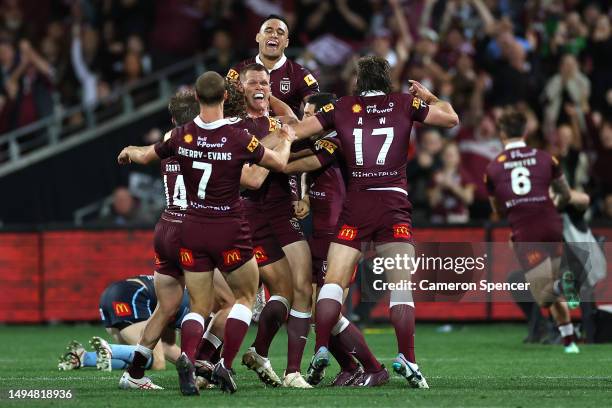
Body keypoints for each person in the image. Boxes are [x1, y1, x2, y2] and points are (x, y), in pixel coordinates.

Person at [118, 71, 295, 394]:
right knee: (242, 299)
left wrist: (130, 149)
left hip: (188, 227)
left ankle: (185, 357)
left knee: (195, 306)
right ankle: (223, 364)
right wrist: (286, 140)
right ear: (227, 98)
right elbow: (273, 168)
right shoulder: (237, 136)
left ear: (198, 98)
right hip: (227, 226)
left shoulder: (179, 137)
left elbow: (146, 154)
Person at [289, 55, 459, 387]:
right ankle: (407, 358)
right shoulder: (405, 102)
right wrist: (430, 97)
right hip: (393, 203)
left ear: (358, 82)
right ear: (387, 80)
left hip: (357, 204)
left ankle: (322, 347)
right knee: (400, 288)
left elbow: (296, 131)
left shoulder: (341, 108)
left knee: (333, 283)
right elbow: (451, 118)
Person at [115, 89, 235, 393]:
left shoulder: (171, 139)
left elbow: (146, 153)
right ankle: (200, 361)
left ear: (172, 118)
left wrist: (131, 148)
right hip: (191, 229)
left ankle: (134, 373)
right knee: (226, 303)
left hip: (165, 227)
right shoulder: (204, 138)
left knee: (166, 308)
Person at [228, 15, 321, 383]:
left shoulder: (301, 77)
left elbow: (307, 128)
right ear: (257, 36)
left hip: (283, 194)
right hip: (242, 200)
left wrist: (305, 190)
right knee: (225, 298)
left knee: (299, 287)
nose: (274, 34)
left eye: (280, 31)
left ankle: (283, 364)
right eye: (268, 29)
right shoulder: (235, 75)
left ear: (287, 42)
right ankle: (206, 361)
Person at [285, 92, 385, 387]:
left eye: (311, 114)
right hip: (319, 234)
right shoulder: (321, 141)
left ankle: (373, 367)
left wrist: (268, 161)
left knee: (329, 310)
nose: (307, 120)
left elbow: (305, 164)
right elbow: (317, 177)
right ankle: (349, 366)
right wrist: (304, 197)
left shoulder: (341, 140)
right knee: (321, 310)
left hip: (340, 237)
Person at [485, 111, 580, 354]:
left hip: (526, 231)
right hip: (552, 225)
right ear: (525, 132)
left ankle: (562, 286)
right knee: (552, 281)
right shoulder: (545, 157)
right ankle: (570, 341)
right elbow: (566, 195)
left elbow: (497, 210)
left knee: (544, 295)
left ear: (502, 134)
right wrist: (551, 208)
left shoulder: (494, 168)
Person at [57, 275, 187, 373]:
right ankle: (110, 349)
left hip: (114, 293)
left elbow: (168, 346)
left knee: (138, 358)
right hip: (132, 296)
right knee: (156, 362)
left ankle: (84, 357)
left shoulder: (181, 295)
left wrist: (197, 369)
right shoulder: (191, 305)